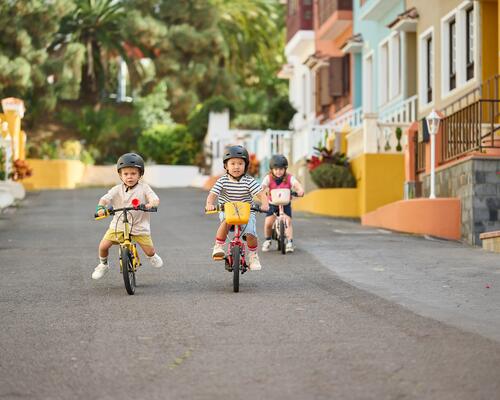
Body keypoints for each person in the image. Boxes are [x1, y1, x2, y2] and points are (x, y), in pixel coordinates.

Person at [92, 153, 163, 280]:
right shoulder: (116, 189)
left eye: (133, 173)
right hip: (118, 225)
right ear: (120, 175)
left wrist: (150, 204)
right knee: (103, 246)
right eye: (126, 174)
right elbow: (104, 199)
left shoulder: (144, 188)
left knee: (150, 251)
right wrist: (101, 208)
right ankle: (103, 264)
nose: (129, 177)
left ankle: (152, 257)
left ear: (140, 174)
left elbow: (155, 199)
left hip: (139, 226)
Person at [205, 145, 269, 270]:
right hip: (227, 210)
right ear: (226, 166)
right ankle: (218, 245)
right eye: (232, 163)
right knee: (226, 221)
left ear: (245, 166)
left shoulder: (249, 181)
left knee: (250, 233)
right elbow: (213, 194)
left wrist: (265, 204)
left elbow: (261, 194)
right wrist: (209, 204)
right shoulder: (222, 181)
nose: (236, 166)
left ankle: (253, 255)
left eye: (240, 163)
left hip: (247, 211)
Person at [261, 154, 304, 253]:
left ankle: (289, 242)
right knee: (268, 223)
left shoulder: (289, 178)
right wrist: (261, 189)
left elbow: (296, 184)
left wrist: (300, 190)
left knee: (288, 222)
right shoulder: (269, 178)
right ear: (272, 169)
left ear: (285, 169)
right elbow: (263, 185)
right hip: (273, 203)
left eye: (281, 169)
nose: (278, 171)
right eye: (276, 169)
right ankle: (268, 240)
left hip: (285, 204)